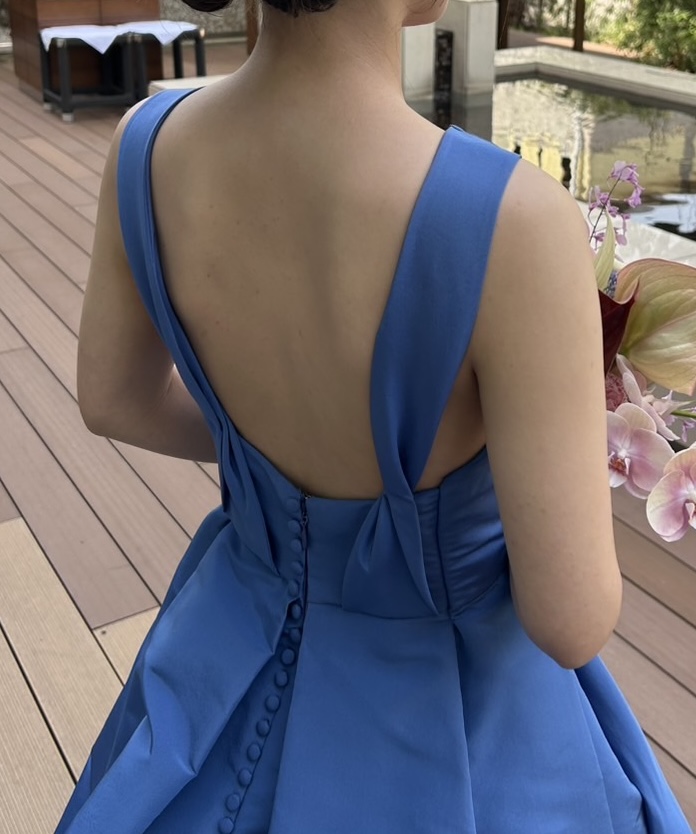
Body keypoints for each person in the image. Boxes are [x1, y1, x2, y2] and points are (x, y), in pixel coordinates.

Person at [55, 0, 692, 830]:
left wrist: (272, 463)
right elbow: (570, 620)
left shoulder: (146, 143)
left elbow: (116, 400)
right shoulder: (515, 221)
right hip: (455, 716)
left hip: (228, 649)